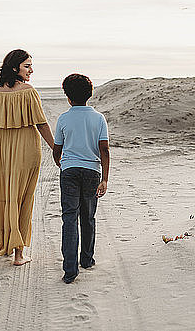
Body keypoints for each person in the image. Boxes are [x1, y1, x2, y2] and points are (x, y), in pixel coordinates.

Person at [0, 49, 55, 266]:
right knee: (22, 198)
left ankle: (7, 244)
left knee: (5, 197)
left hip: (0, 151)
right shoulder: (28, 91)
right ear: (15, 67)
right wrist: (55, 148)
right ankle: (18, 254)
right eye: (27, 66)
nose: (31, 70)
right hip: (26, 150)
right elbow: (41, 123)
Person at [53, 74, 110, 284]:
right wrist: (105, 179)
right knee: (88, 216)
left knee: (69, 217)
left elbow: (57, 149)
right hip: (92, 172)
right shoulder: (99, 118)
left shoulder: (63, 119)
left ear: (67, 97)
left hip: (69, 171)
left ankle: (70, 270)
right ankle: (86, 259)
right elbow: (104, 149)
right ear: (90, 94)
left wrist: (62, 163)